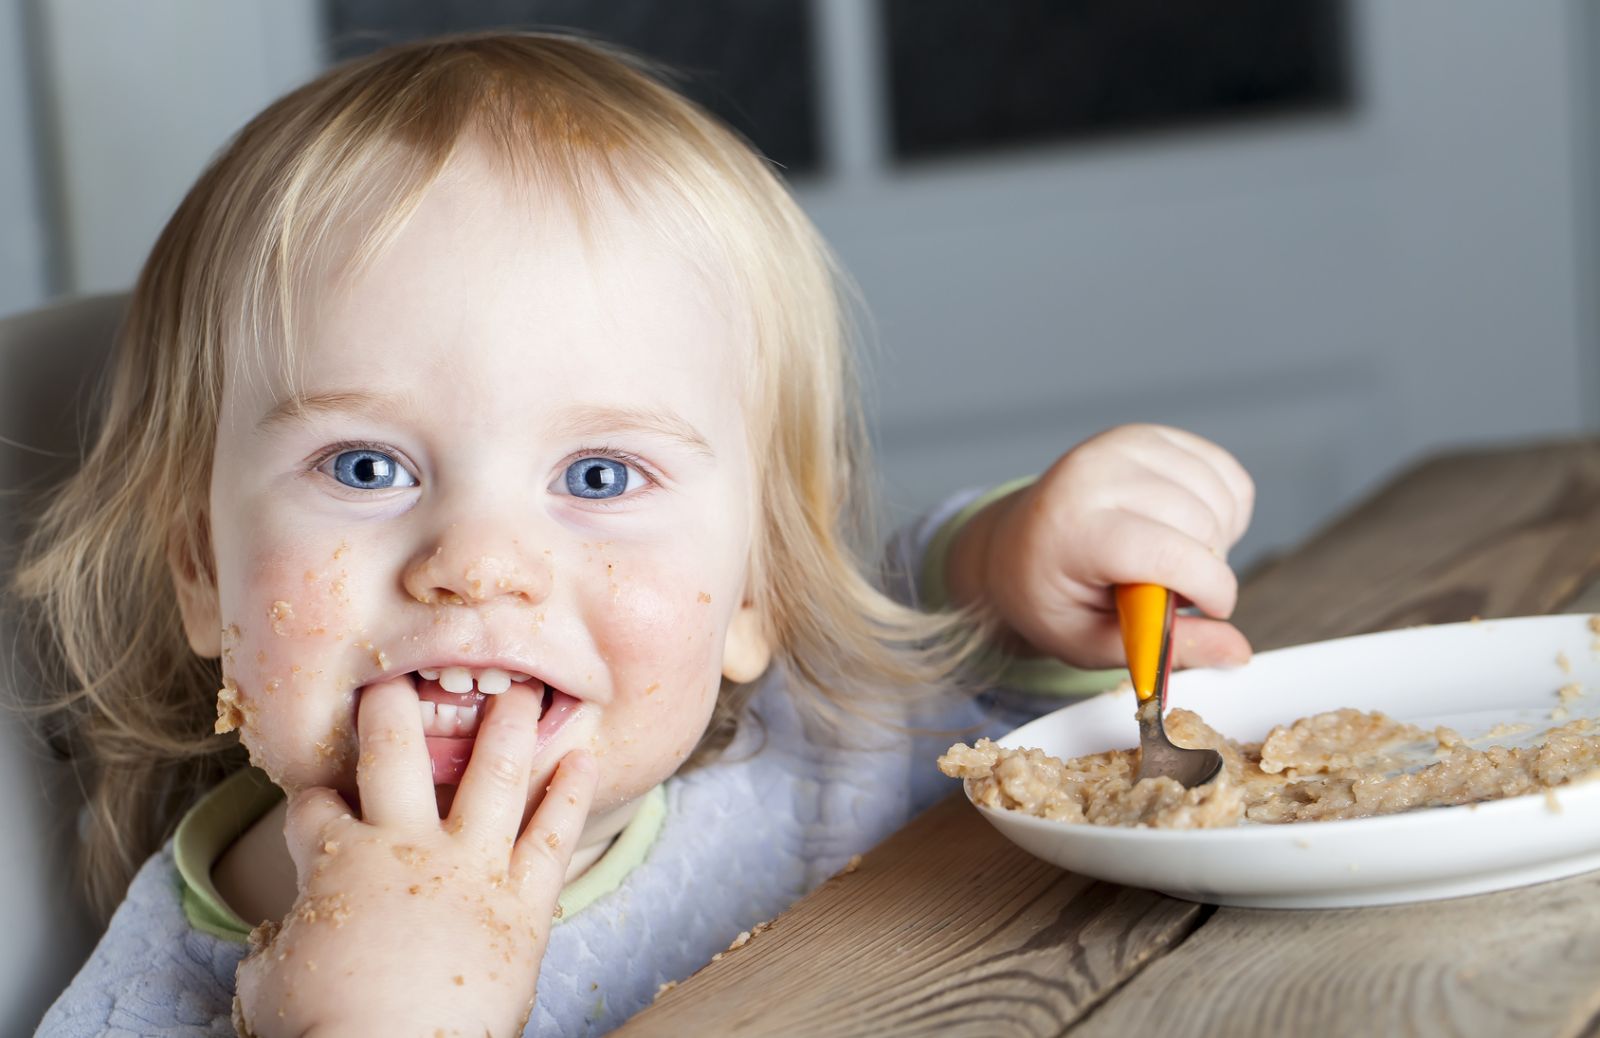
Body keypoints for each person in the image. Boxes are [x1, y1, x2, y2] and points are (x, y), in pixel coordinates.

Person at [11, 32, 1253, 1037]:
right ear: (200, 569)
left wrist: (1013, 566)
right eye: (367, 465)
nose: (477, 563)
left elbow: (956, 669)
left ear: (757, 584)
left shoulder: (804, 775)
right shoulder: (160, 993)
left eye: (599, 474)